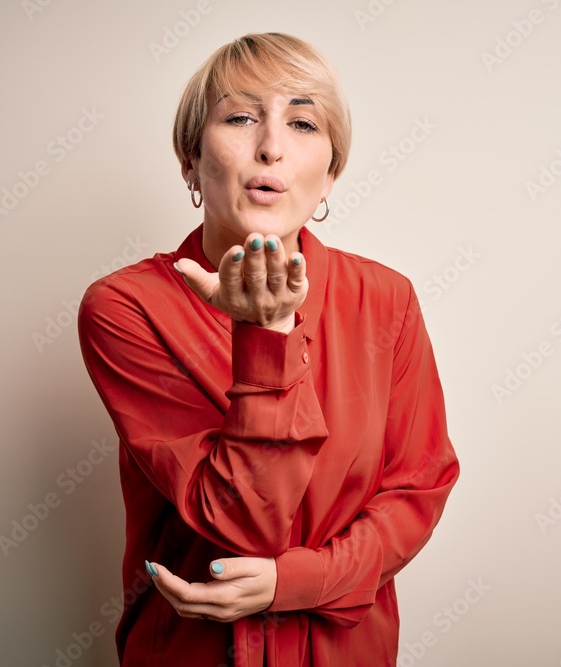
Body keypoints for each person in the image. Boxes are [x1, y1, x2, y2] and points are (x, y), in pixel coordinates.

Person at [78, 32, 459, 666]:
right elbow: (240, 520)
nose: (272, 148)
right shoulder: (125, 307)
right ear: (190, 160)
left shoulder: (387, 299)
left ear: (331, 173)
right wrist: (268, 335)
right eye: (240, 117)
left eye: (303, 123)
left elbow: (419, 489)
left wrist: (298, 583)